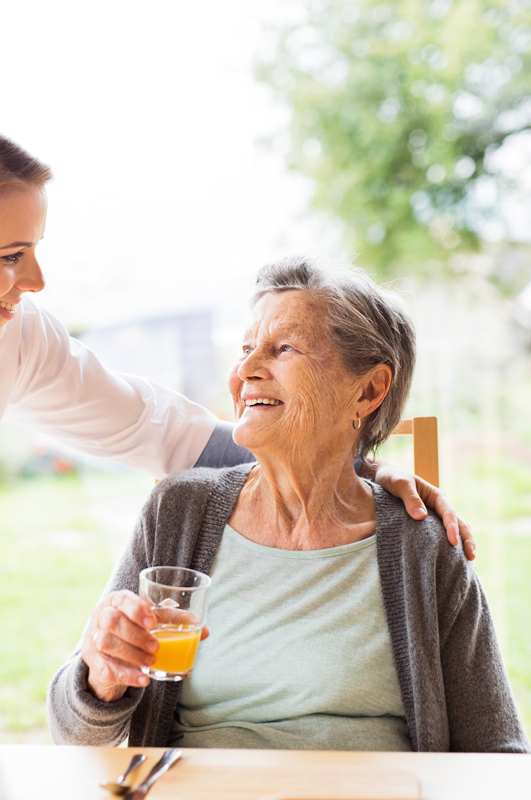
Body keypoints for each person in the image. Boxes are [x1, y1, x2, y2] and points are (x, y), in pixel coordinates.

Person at [0, 111, 470, 796]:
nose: (35, 280)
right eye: (11, 255)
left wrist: (358, 470)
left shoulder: (11, 335)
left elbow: (164, 434)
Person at [48, 256, 528, 753]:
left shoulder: (423, 545)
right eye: (246, 348)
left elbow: (498, 751)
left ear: (369, 391)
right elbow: (73, 735)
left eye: (283, 349)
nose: (246, 370)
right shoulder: (177, 512)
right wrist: (101, 676)